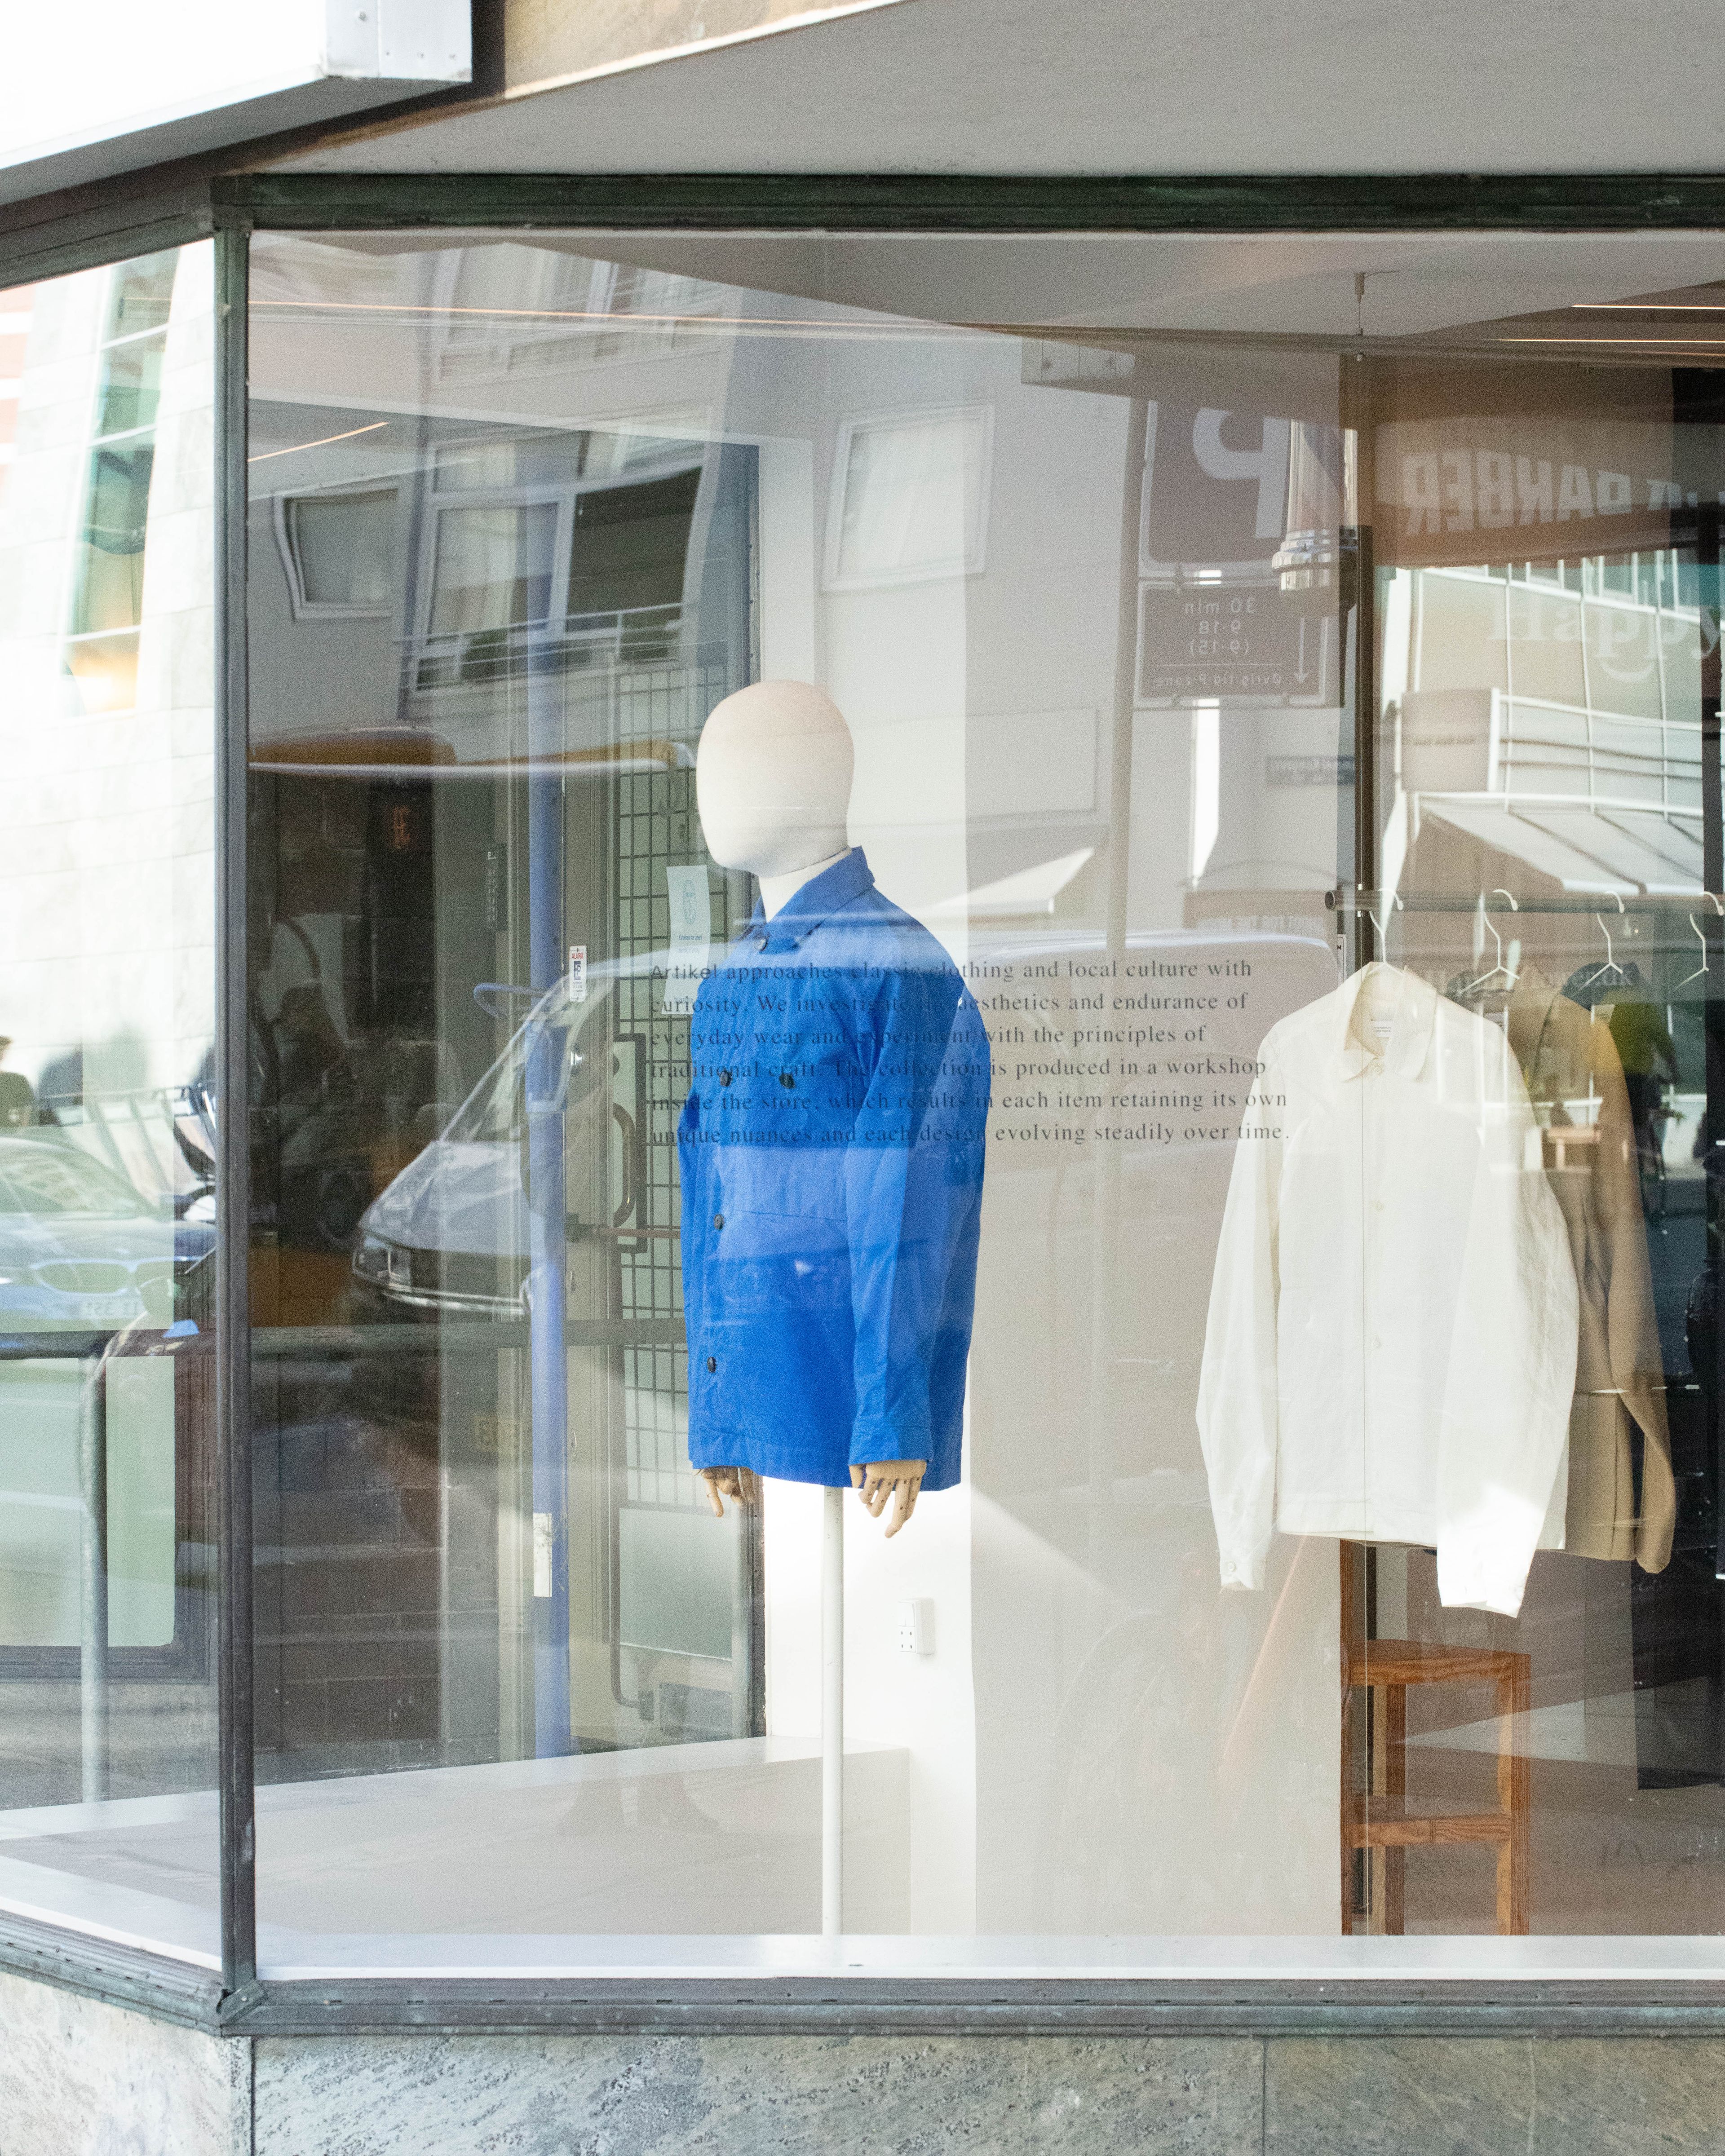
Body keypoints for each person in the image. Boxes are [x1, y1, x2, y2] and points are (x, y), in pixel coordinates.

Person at [0, 1038, 35, 1131]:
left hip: (12, 1137)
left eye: (2, 1050)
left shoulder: (19, 1081)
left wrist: (20, 1134)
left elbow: (27, 1112)